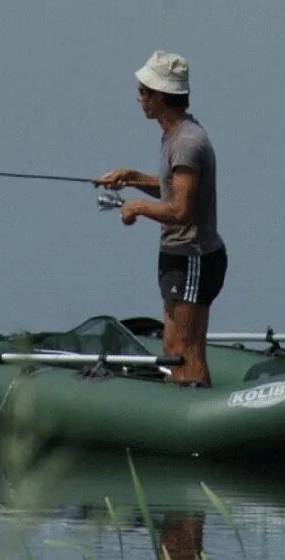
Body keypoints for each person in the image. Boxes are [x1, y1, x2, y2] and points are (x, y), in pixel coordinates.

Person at [95, 50, 227, 387]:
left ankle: (199, 414)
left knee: (187, 349)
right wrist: (133, 176)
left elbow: (181, 210)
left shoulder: (185, 142)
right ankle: (182, 406)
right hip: (176, 257)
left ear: (162, 97)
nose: (139, 99)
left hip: (195, 257)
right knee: (172, 346)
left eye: (144, 92)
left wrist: (137, 207)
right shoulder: (173, 135)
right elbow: (173, 187)